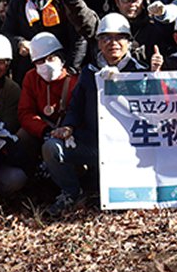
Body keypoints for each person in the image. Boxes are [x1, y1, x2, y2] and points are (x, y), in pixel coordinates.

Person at [43, 13, 148, 216]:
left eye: (119, 37)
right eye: (106, 38)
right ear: (99, 42)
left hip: (130, 148)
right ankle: (71, 194)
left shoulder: (141, 73)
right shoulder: (89, 72)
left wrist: (155, 75)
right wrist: (69, 126)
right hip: (94, 143)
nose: (113, 43)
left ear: (129, 41)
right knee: (51, 147)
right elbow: (76, 107)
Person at [1, 0, 97, 76]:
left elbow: (79, 38)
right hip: (32, 71)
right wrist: (19, 42)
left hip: (65, 68)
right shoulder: (18, 1)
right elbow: (7, 32)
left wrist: (71, 70)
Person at [16, 32, 78, 174]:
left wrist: (68, 129)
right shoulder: (31, 78)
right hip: (44, 128)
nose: (46, 65)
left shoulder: (75, 81)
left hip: (69, 132)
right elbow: (25, 112)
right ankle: (32, 172)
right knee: (22, 136)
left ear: (61, 59)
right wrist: (44, 130)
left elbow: (80, 113)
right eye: (40, 61)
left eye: (51, 58)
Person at [108, 0, 176, 67]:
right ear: (116, 1)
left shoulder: (153, 31)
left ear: (143, 1)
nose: (131, 4)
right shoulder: (108, 29)